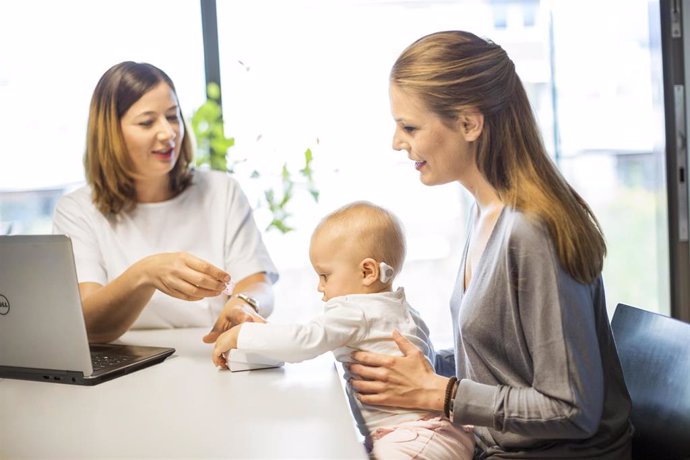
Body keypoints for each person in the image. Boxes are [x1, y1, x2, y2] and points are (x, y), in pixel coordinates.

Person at [348, 31, 634, 459]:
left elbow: (573, 408)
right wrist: (416, 371)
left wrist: (441, 392)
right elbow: (502, 368)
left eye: (409, 126)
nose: (397, 142)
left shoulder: (533, 230)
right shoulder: (483, 211)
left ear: (469, 123)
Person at [212, 201, 476, 460]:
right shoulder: (396, 308)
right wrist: (266, 338)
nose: (319, 286)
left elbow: (305, 340)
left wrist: (242, 335)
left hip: (416, 436)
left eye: (325, 275)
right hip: (434, 432)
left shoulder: (356, 310)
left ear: (367, 272)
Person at [52, 61, 278, 344]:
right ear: (110, 133)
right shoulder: (78, 209)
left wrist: (244, 303)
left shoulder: (222, 190)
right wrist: (146, 273)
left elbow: (257, 282)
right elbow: (90, 325)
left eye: (173, 117)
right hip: (128, 363)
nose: (168, 133)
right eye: (147, 122)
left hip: (208, 352)